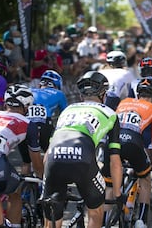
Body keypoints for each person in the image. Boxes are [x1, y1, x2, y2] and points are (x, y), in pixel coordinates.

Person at [41, 71, 123, 228]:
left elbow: (47, 155)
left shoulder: (67, 111)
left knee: (53, 215)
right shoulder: (110, 114)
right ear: (104, 95)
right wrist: (118, 194)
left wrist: (49, 179)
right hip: (83, 160)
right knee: (95, 211)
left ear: (81, 96)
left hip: (54, 159)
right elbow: (115, 161)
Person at [114, 78, 152, 228]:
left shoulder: (123, 102)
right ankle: (141, 221)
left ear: (138, 94)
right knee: (145, 179)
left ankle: (109, 213)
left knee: (111, 179)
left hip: (114, 145)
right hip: (135, 144)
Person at [0, 84, 44, 228]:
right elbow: (36, 161)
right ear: (27, 106)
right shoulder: (28, 124)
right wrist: (42, 177)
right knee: (14, 191)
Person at [18, 70, 67, 175]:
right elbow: (65, 114)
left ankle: (23, 188)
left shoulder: (30, 90)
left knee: (26, 161)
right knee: (48, 151)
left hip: (25, 124)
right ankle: (46, 181)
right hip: (44, 124)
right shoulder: (59, 93)